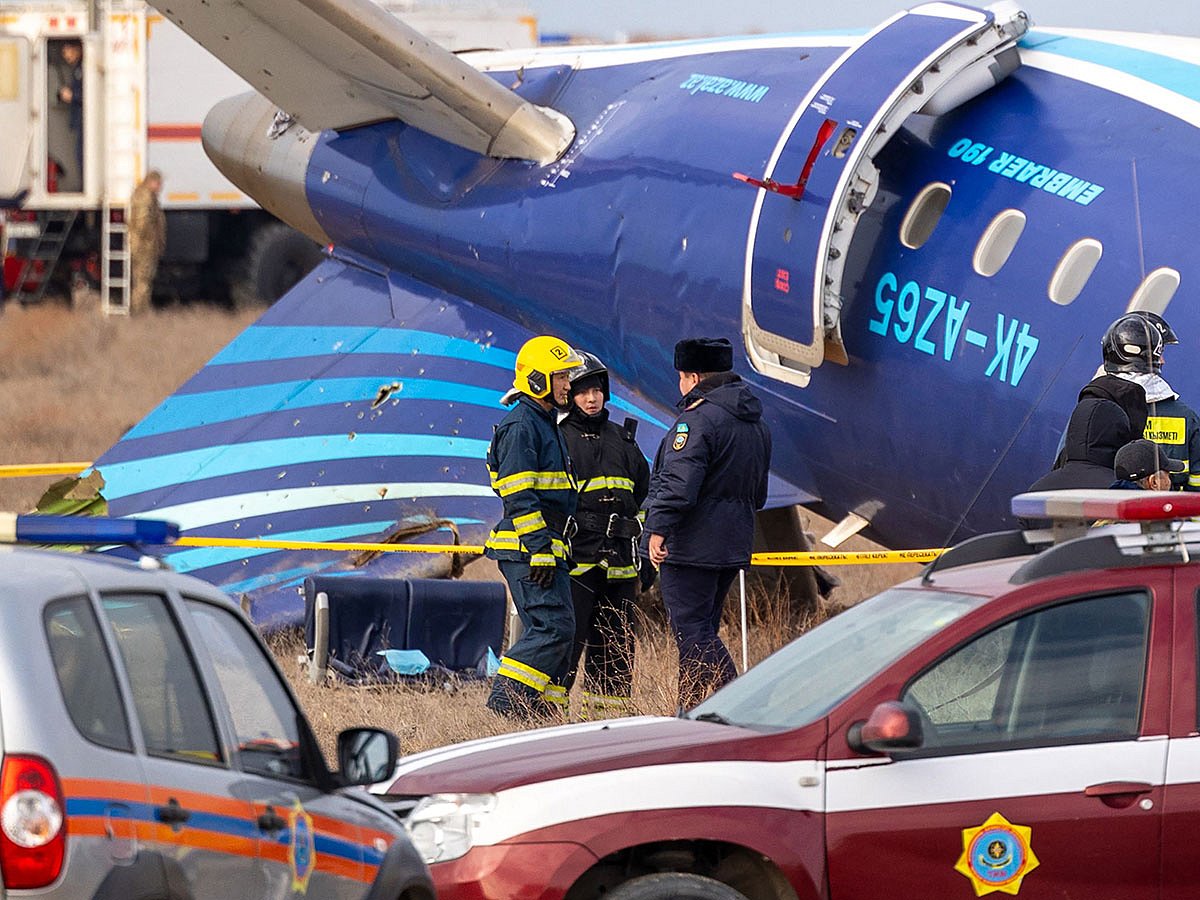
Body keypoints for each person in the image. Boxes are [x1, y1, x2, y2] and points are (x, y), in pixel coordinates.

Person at [642, 337, 772, 709]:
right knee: (701, 632)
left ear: (693, 377)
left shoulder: (697, 421)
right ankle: (694, 712)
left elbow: (679, 485)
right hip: (732, 544)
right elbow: (758, 494)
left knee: (693, 632)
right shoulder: (755, 423)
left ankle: (742, 704)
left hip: (691, 546)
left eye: (682, 378)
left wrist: (658, 528)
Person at [483, 335, 582, 719]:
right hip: (529, 549)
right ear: (538, 379)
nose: (568, 385)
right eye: (560, 377)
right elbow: (519, 495)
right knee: (552, 629)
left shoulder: (544, 423)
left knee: (561, 629)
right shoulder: (523, 426)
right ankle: (504, 707)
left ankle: (539, 716)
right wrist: (540, 548)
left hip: (545, 546)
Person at [558, 351, 650, 718]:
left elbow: (645, 495)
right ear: (570, 396)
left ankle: (606, 724)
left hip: (621, 569)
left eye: (596, 390)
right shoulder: (558, 439)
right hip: (577, 563)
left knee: (616, 651)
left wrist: (641, 551)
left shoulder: (624, 441)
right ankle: (548, 721)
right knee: (566, 646)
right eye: (582, 392)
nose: (591, 398)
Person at [1105, 311, 1200, 490]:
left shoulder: (1092, 412)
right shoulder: (1187, 418)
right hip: (1171, 514)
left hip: (1110, 514)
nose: (1163, 360)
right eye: (1160, 352)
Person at [48, 41, 84, 192]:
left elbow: (93, 92)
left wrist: (73, 95)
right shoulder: (77, 69)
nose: (65, 56)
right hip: (80, 122)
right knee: (79, 156)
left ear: (78, 49)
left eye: (67, 51)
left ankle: (85, 186)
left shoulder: (84, 68)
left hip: (84, 122)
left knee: (82, 156)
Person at [128, 170, 166, 314]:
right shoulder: (145, 197)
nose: (160, 186)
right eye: (158, 183)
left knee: (144, 281)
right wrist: (150, 241)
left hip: (144, 246)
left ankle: (140, 310)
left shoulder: (147, 196)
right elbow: (142, 223)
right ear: (151, 182)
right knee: (142, 282)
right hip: (144, 247)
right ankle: (138, 312)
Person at [1111, 438, 1185, 490]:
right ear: (1154, 482)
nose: (1170, 482)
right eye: (1168, 475)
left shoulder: (1105, 508)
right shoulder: (1155, 511)